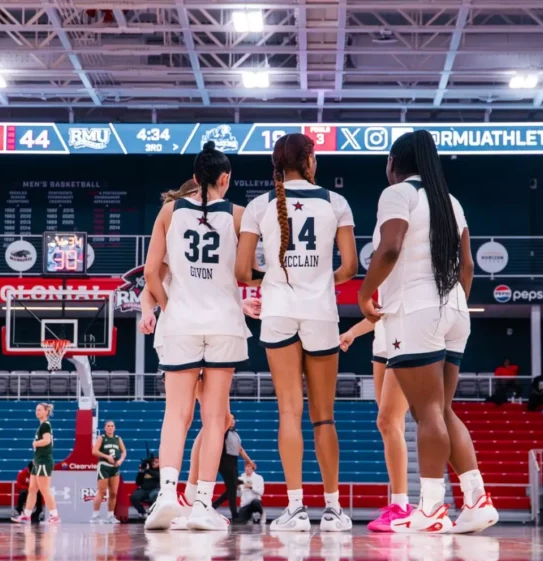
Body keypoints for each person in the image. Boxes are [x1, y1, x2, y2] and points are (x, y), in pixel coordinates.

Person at [357, 130, 498, 534]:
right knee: (441, 409)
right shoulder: (451, 201)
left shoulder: (397, 194)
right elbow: (467, 266)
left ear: (393, 163)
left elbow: (390, 247)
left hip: (415, 310)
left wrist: (365, 293)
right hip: (454, 306)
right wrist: (451, 305)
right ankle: (476, 499)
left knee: (428, 413)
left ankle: (432, 508)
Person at [236, 132, 358, 533]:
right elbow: (350, 267)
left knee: (289, 410)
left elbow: (242, 272)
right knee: (324, 417)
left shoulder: (259, 205)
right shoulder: (336, 202)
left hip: (279, 312)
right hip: (321, 313)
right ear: (308, 161)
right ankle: (334, 510)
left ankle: (295, 508)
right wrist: (319, 280)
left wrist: (272, 277)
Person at [141, 141, 248, 532]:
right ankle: (202, 504)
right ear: (225, 179)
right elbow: (247, 272)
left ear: (194, 177)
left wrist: (170, 309)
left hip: (181, 323)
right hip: (224, 323)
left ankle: (168, 496)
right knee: (215, 417)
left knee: (177, 413)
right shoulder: (239, 215)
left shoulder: (169, 211)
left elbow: (151, 274)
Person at [339, 317, 413, 531]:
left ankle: (402, 506)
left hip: (405, 340)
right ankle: (400, 504)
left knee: (388, 421)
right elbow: (381, 311)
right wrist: (353, 332)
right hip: (382, 344)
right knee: (390, 425)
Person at [12, 403, 59, 524]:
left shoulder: (45, 425)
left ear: (46, 411)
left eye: (39, 410)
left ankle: (55, 515)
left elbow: (47, 441)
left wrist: (35, 443)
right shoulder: (42, 426)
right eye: (36, 410)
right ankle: (26, 515)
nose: (37, 412)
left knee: (44, 489)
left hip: (44, 461)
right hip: (38, 460)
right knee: (32, 489)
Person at [212, 414, 256, 520]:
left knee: (232, 487)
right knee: (232, 488)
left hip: (234, 461)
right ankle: (234, 515)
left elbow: (240, 449)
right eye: (230, 419)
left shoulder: (235, 434)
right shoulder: (224, 432)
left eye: (233, 419)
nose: (232, 421)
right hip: (225, 461)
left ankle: (214, 505)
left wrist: (249, 461)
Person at [91, 420, 127, 523]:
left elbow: (124, 451)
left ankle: (110, 516)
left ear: (114, 428)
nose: (110, 427)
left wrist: (120, 460)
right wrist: (107, 456)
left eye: (112, 426)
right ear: (105, 428)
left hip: (115, 466)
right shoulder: (102, 438)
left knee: (113, 493)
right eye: (108, 426)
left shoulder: (117, 438)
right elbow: (94, 451)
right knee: (101, 491)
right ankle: (95, 515)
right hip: (104, 466)